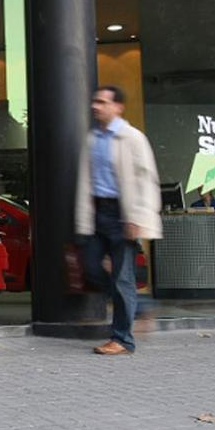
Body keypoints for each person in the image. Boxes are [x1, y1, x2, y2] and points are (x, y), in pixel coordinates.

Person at [75, 85, 163, 355]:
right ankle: (142, 306)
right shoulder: (92, 139)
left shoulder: (133, 138)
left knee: (122, 279)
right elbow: (85, 181)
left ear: (118, 107)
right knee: (90, 268)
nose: (95, 106)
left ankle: (122, 339)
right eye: (94, 101)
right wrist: (83, 219)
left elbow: (147, 180)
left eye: (102, 102)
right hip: (98, 213)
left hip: (122, 215)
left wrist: (136, 217)